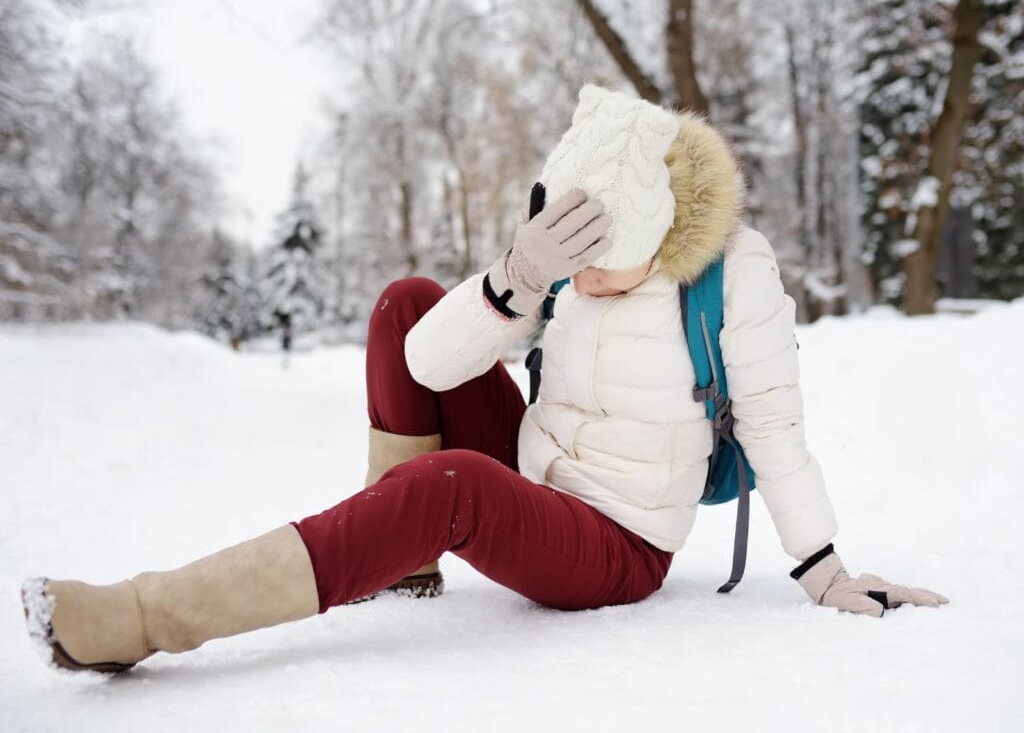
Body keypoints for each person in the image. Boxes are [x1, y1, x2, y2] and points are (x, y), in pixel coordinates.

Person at [21, 85, 948, 675]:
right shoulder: (567, 266)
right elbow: (425, 363)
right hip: (535, 470)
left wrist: (824, 569)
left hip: (616, 538)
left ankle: (146, 616)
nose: (581, 278)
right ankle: (407, 553)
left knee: (449, 485)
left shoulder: (734, 270)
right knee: (406, 305)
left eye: (601, 257)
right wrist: (517, 278)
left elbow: (777, 426)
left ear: (658, 231)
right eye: (568, 254)